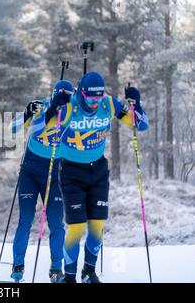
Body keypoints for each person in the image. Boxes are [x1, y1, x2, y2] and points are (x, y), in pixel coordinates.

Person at [44, 71, 149, 283]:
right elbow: (47, 127)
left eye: (98, 98)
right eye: (90, 98)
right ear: (81, 93)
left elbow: (141, 124)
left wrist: (136, 104)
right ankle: (69, 276)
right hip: (72, 171)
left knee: (97, 225)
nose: (94, 103)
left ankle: (89, 272)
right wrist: (54, 105)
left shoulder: (108, 105)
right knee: (76, 227)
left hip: (98, 170)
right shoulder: (70, 106)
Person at [10, 80, 74, 283]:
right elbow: (14, 127)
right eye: (60, 96)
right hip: (30, 172)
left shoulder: (74, 112)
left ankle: (56, 268)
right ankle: (18, 266)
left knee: (56, 224)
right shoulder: (41, 106)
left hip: (55, 175)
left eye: (68, 97)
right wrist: (27, 113)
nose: (64, 101)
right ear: (53, 93)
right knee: (25, 220)